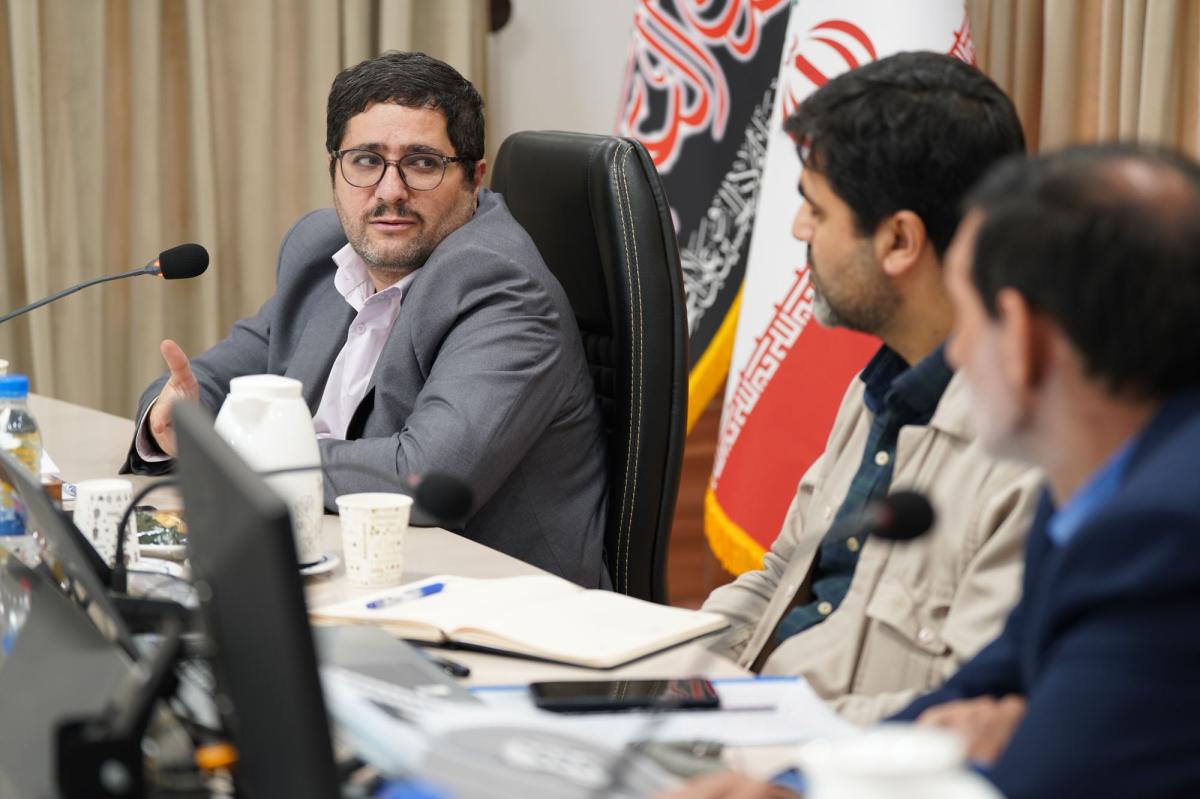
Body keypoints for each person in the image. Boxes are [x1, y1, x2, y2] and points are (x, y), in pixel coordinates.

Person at [662, 144, 1200, 799]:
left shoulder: (1164, 534)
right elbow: (993, 679)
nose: (954, 353)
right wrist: (799, 786)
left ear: (1024, 338)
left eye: (966, 319)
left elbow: (1036, 779)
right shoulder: (1093, 487)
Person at [124, 51, 609, 588]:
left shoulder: (502, 288)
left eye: (422, 163)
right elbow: (212, 380)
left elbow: (422, 475)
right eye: (365, 160)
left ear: (474, 178)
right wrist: (172, 418)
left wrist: (241, 452)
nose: (390, 190)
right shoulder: (322, 251)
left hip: (493, 603)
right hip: (346, 568)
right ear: (335, 169)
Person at [698, 51, 1042, 724]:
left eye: (816, 209)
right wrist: (660, 673)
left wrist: (759, 721)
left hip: (829, 757)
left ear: (899, 241)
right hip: (752, 725)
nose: (799, 229)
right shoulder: (880, 383)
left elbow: (970, 713)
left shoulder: (1029, 457)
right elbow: (781, 576)